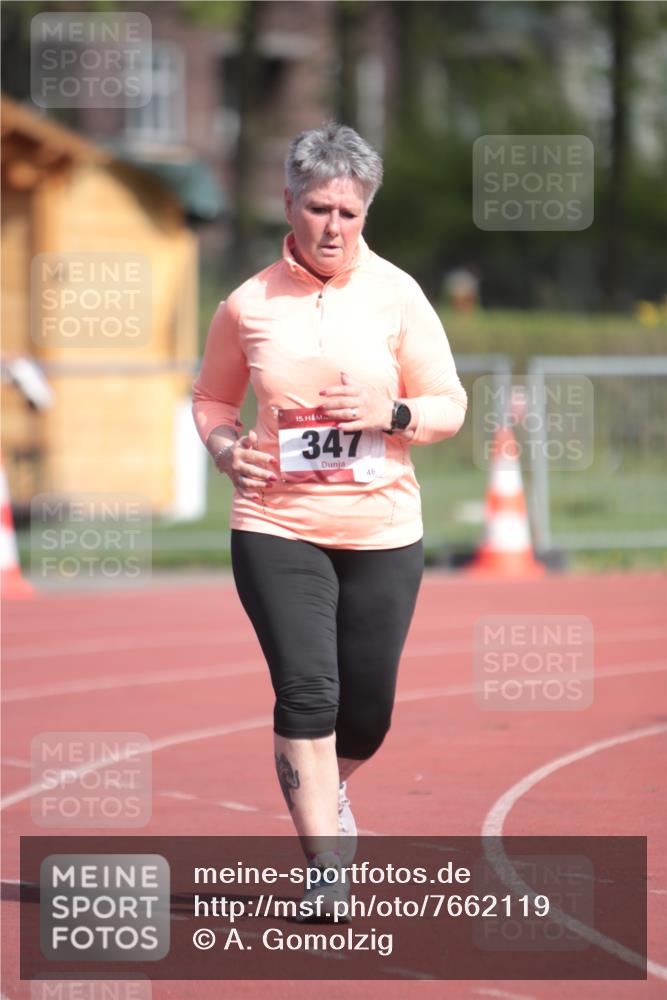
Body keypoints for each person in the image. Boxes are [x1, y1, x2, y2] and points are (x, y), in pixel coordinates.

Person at [192, 122, 467, 918]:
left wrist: (393, 411)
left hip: (381, 527)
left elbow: (448, 404)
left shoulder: (399, 295)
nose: (333, 228)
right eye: (318, 209)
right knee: (307, 693)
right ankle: (325, 866)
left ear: (365, 212)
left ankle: (325, 788)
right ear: (289, 203)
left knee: (366, 713)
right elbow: (211, 396)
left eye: (348, 213)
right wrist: (221, 446)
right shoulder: (247, 304)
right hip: (275, 521)